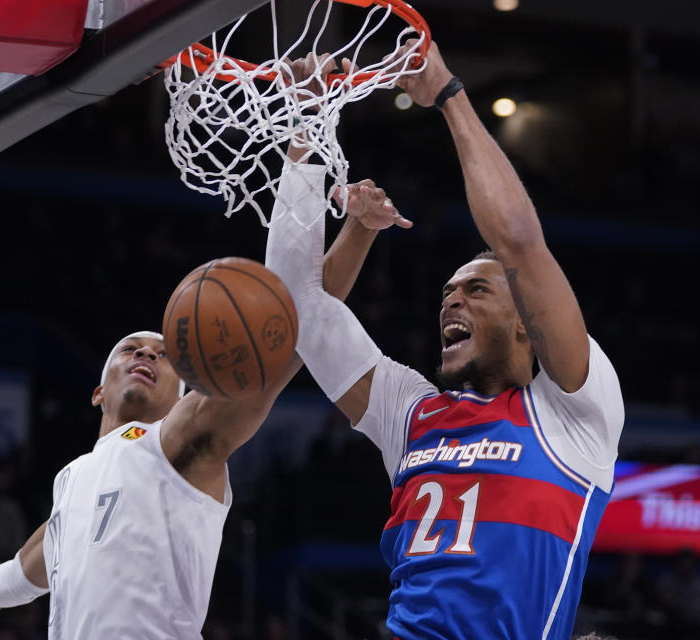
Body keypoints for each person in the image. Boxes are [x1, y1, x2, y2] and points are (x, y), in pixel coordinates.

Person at [265, 42, 624, 639]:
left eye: (477, 291)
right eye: (447, 293)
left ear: (524, 322)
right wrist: (305, 122)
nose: (451, 299)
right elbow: (294, 304)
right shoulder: (413, 412)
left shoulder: (575, 412)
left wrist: (449, 98)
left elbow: (518, 242)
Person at [0, 188, 406, 638]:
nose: (146, 355)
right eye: (130, 349)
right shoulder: (73, 480)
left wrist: (357, 227)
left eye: (162, 354)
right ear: (98, 392)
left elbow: (290, 325)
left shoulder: (172, 442)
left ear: (183, 398)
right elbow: (21, 572)